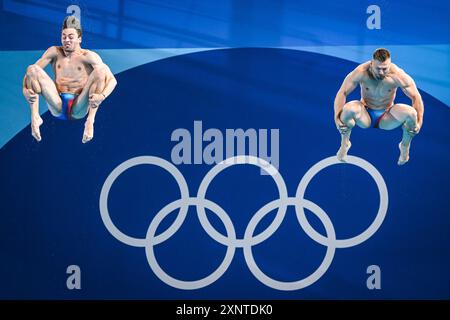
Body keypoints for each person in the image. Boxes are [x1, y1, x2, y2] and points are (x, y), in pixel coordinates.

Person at [22, 16, 117, 143]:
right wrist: (25, 91)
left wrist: (102, 96)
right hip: (57, 103)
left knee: (101, 71)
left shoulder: (88, 56)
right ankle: (35, 117)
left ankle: (90, 121)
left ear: (79, 39)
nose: (66, 40)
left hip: (79, 105)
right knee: (32, 69)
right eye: (64, 36)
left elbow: (112, 80)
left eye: (71, 37)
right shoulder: (54, 52)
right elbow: (29, 75)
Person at [334, 48, 424, 165]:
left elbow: (416, 96)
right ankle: (344, 143)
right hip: (364, 114)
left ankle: (405, 145)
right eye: (378, 69)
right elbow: (342, 93)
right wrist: (337, 118)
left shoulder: (398, 75)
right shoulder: (361, 72)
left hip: (387, 116)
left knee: (412, 113)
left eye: (384, 69)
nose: (381, 72)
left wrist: (419, 122)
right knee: (348, 109)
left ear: (389, 64)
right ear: (371, 64)